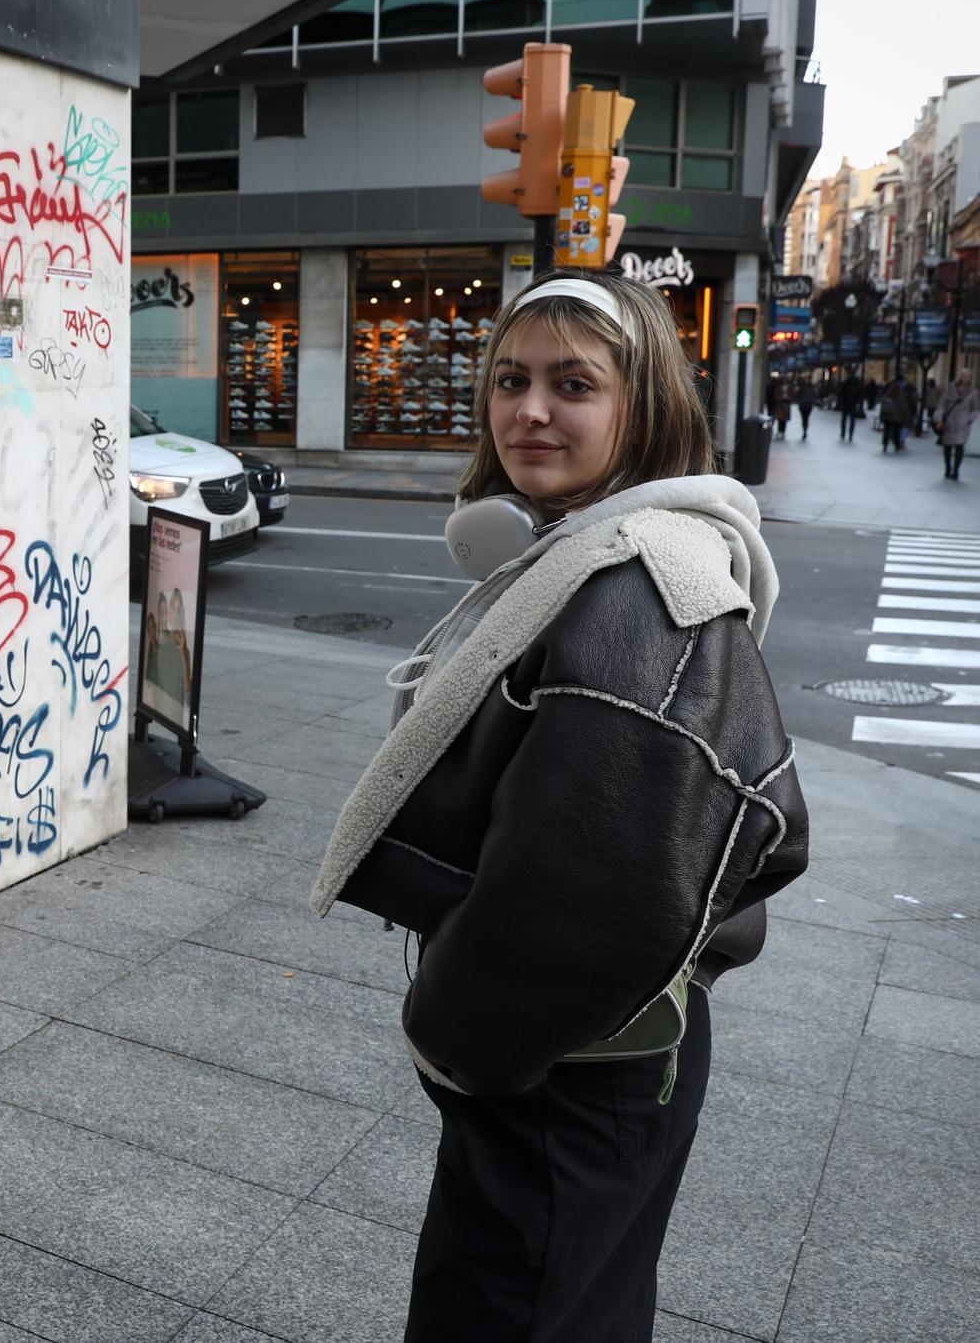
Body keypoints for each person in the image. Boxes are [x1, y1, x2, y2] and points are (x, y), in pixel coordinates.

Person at [311, 269, 809, 1343]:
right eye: (509, 379)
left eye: (571, 384)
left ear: (643, 409)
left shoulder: (637, 592)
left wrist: (451, 1036)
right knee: (578, 1308)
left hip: (567, 1072)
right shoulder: (575, 558)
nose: (528, 410)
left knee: (508, 1312)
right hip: (594, 1056)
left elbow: (596, 907)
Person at [941, 371, 978, 480]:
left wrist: (969, 419)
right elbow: (943, 402)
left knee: (959, 447)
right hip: (950, 421)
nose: (968, 378)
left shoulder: (973, 392)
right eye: (966, 376)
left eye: (970, 376)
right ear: (961, 377)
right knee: (947, 446)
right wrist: (940, 417)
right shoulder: (951, 388)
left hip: (963, 423)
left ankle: (956, 471)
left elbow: (975, 409)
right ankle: (947, 468)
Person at [838, 373, 862, 442]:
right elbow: (860, 394)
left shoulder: (846, 382)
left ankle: (843, 433)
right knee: (852, 420)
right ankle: (850, 435)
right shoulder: (857, 384)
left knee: (844, 419)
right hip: (853, 404)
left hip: (846, 404)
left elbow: (841, 393)